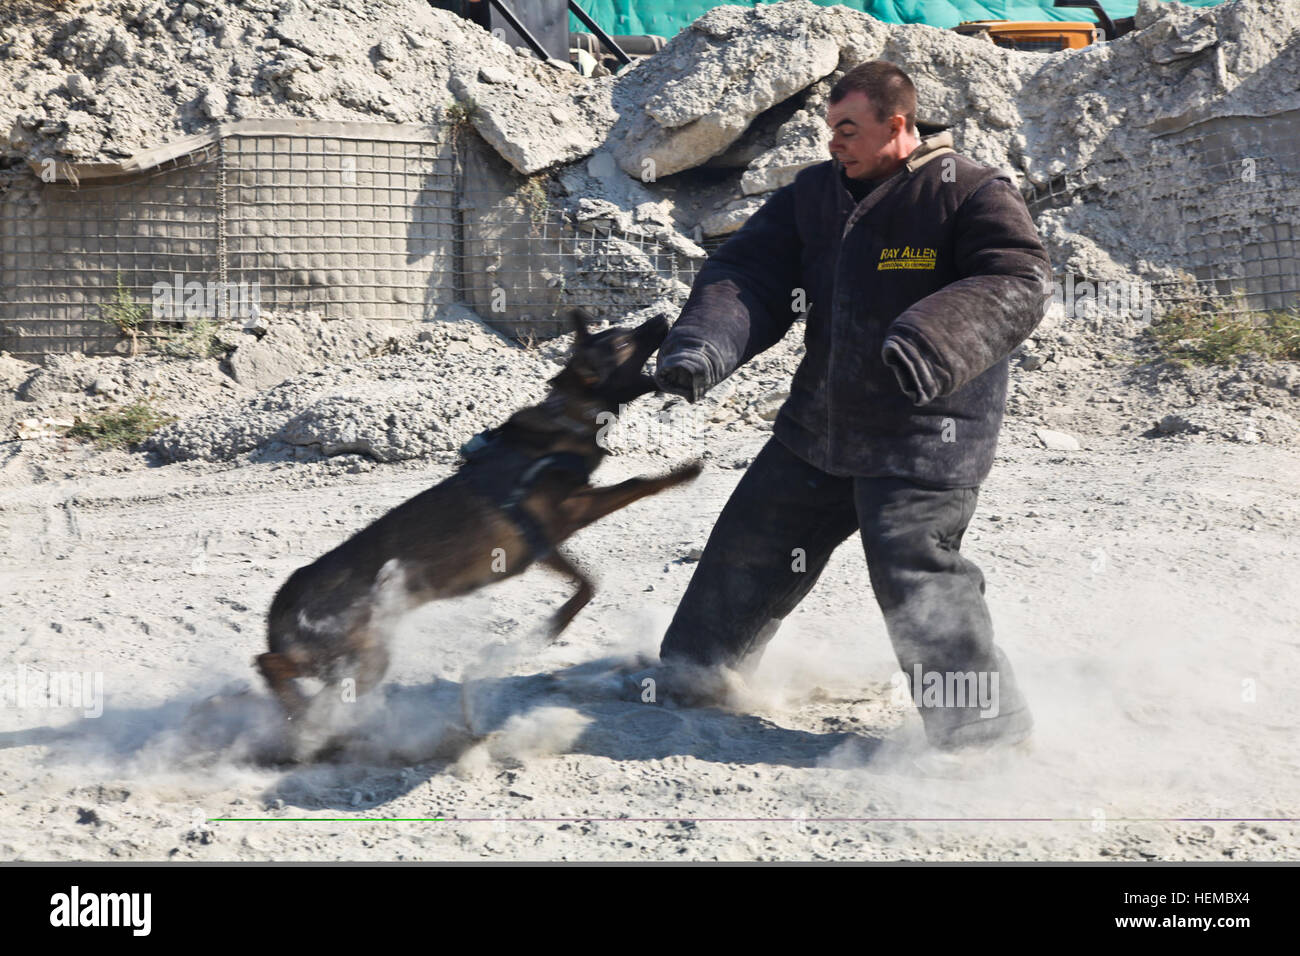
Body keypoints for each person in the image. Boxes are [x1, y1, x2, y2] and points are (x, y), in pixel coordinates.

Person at [649, 60, 1052, 752]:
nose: (834, 141)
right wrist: (703, 345)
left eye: (847, 128)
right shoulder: (814, 195)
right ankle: (696, 678)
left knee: (916, 578)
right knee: (749, 546)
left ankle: (986, 738)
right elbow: (750, 272)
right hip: (821, 430)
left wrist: (930, 341)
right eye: (830, 128)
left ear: (898, 125)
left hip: (927, 439)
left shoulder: (970, 192)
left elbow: (1018, 280)